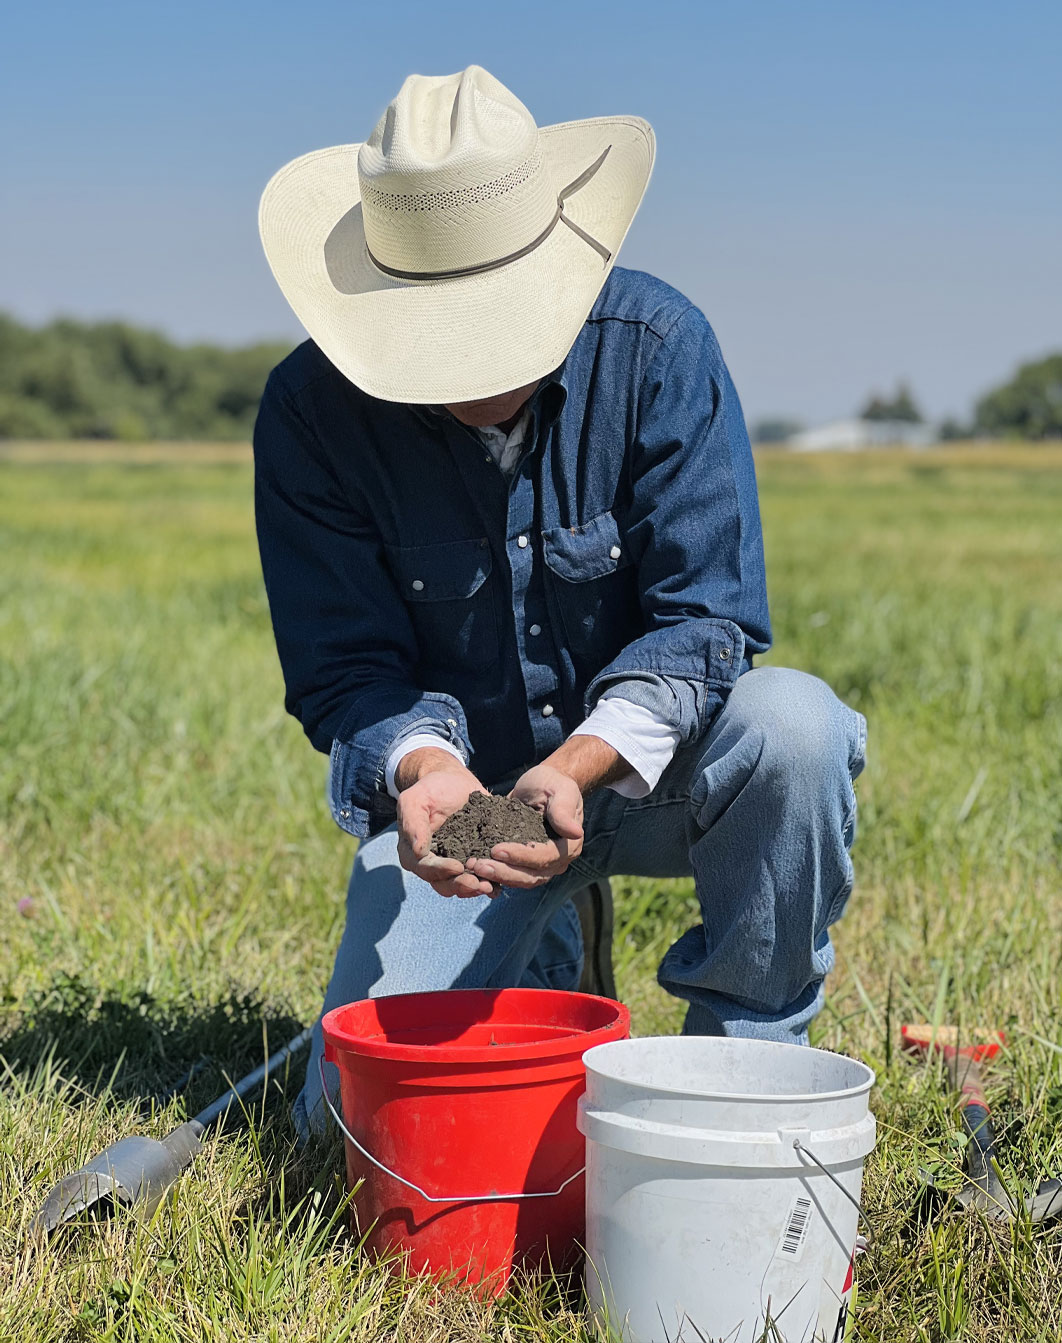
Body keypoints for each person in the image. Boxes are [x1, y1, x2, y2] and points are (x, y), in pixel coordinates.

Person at [252, 66, 866, 1137]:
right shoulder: (310, 415)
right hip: (463, 819)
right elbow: (345, 673)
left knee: (797, 726)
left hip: (650, 775)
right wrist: (432, 771)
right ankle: (538, 948)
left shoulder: (661, 349)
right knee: (350, 1120)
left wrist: (571, 771)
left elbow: (707, 621)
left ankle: (747, 1061)